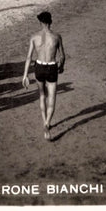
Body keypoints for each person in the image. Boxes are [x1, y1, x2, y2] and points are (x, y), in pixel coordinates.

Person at [22, 11, 66, 141]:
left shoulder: (34, 37)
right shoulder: (57, 36)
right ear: (50, 21)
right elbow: (62, 56)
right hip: (51, 67)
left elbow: (29, 57)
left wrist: (25, 75)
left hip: (39, 67)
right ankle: (47, 124)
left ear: (40, 23)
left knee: (42, 95)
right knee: (52, 98)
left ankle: (44, 122)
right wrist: (61, 67)